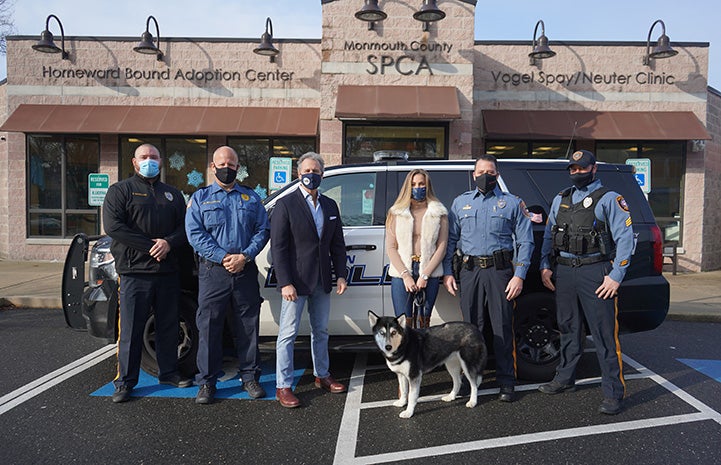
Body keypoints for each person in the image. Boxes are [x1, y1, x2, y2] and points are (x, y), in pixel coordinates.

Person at [538, 150, 634, 415]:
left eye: (581, 168)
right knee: (568, 328)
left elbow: (626, 240)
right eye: (572, 169)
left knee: (604, 335)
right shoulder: (561, 199)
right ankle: (565, 378)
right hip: (565, 271)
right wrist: (545, 266)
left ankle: (614, 393)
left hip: (596, 271)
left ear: (593, 168)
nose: (576, 172)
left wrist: (615, 276)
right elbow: (549, 234)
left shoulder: (610, 199)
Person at [103, 143, 191, 403]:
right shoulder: (121, 191)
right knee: (130, 329)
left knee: (168, 325)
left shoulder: (173, 195)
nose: (149, 161)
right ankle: (126, 382)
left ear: (161, 161)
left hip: (167, 271)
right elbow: (114, 227)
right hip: (134, 272)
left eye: (153, 157)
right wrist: (150, 246)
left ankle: (169, 373)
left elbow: (185, 229)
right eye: (144, 157)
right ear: (134, 162)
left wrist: (168, 243)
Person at [442, 154, 534, 403]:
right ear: (474, 175)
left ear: (497, 175)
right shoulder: (460, 203)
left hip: (500, 272)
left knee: (503, 326)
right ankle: (472, 381)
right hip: (469, 272)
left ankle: (506, 381)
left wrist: (519, 276)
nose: (485, 176)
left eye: (490, 172)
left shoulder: (512, 203)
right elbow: (450, 240)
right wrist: (448, 272)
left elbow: (526, 241)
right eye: (481, 172)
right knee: (470, 330)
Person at [185, 146, 270, 405]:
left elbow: (262, 230)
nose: (227, 168)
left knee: (247, 327)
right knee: (209, 327)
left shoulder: (251, 198)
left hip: (244, 270)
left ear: (237, 168)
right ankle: (207, 382)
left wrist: (244, 256)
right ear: (212, 167)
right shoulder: (200, 198)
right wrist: (223, 257)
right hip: (213, 272)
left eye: (231, 164)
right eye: (222, 163)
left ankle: (250, 377)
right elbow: (195, 234)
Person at [271, 152, 348, 408]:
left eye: (316, 171)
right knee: (288, 334)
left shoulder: (329, 205)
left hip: (322, 280)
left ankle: (322, 375)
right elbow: (279, 247)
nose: (311, 175)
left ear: (322, 175)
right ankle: (283, 386)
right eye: (306, 170)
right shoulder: (286, 204)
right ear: (298, 174)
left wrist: (341, 275)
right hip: (295, 282)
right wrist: (285, 282)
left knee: (321, 331)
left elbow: (337, 244)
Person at [386, 169, 448, 329]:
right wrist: (406, 275)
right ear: (408, 186)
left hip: (429, 271)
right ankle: (407, 355)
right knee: (403, 324)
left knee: (423, 324)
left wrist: (425, 275)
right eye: (413, 184)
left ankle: (423, 355)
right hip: (402, 272)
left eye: (421, 184)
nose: (418, 187)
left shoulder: (439, 212)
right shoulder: (396, 212)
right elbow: (391, 247)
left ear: (428, 186)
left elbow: (442, 246)